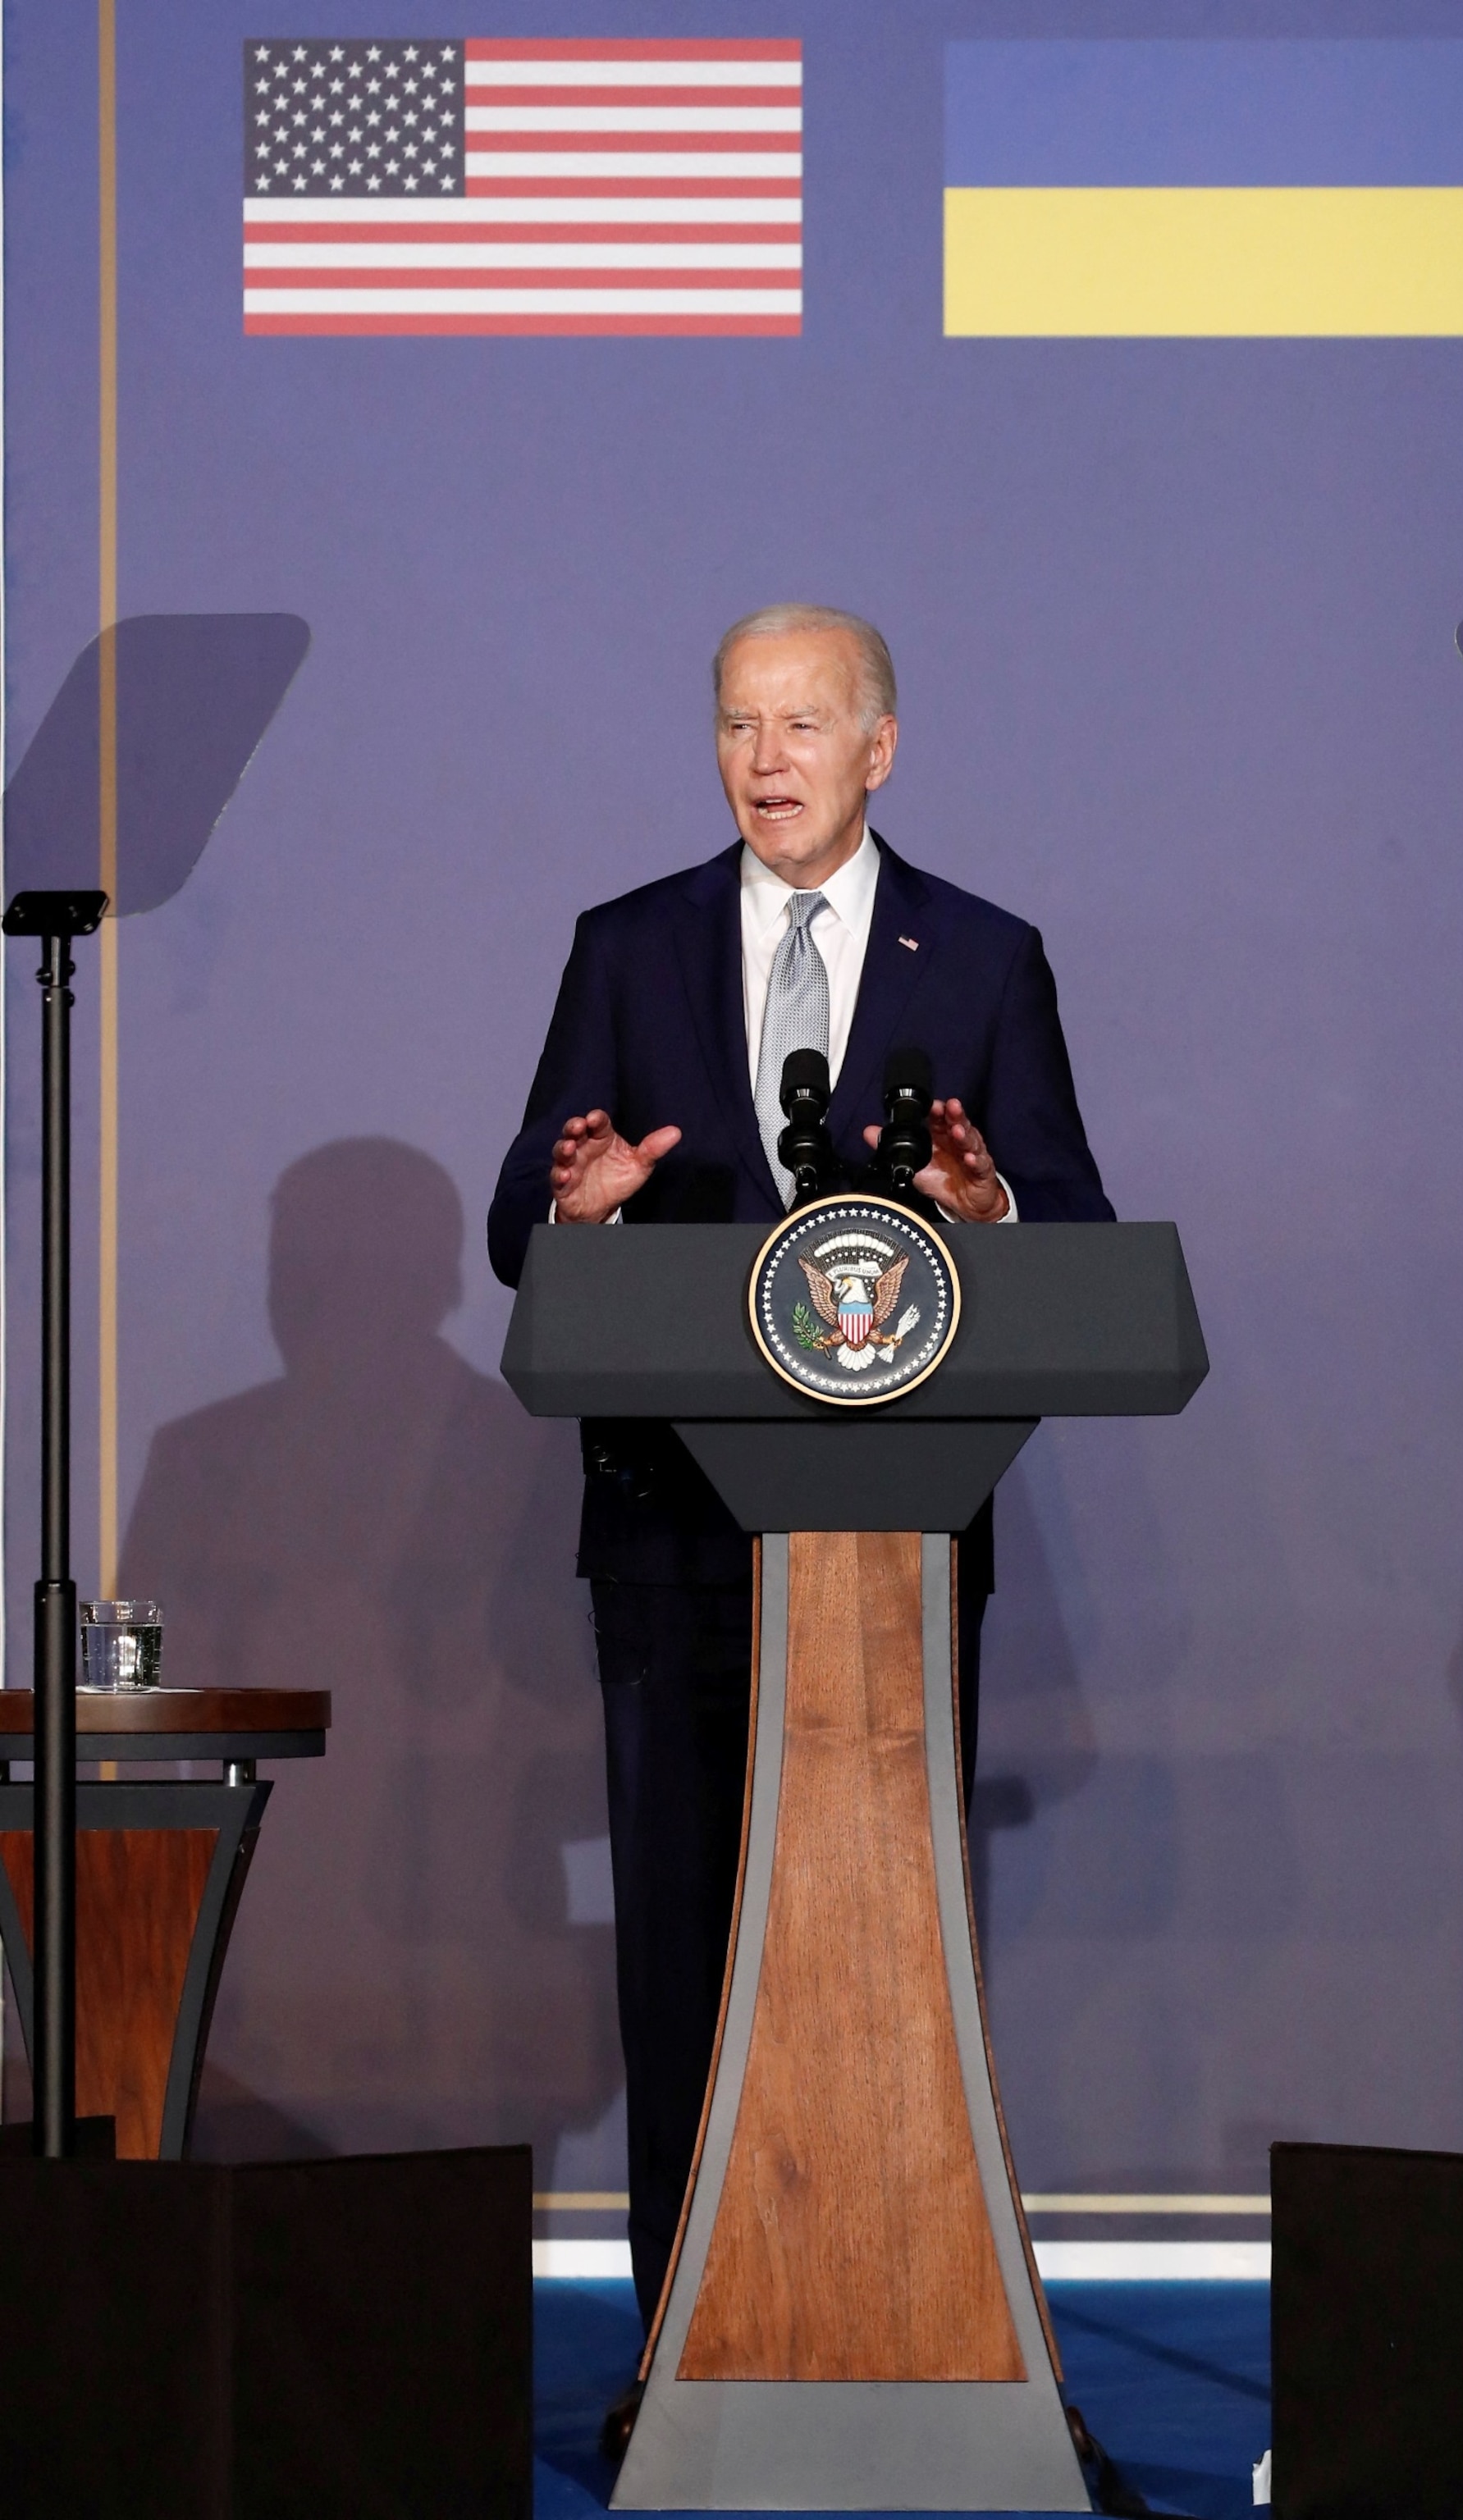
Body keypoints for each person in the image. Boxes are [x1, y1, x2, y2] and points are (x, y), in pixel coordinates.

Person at [488, 604, 1112, 2343]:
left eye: (800, 727)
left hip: (898, 1537)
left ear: (879, 747)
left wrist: (982, 1212)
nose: (763, 761)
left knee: (881, 1956)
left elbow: (1065, 1226)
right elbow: (515, 1221)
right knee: (683, 1961)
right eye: (736, 727)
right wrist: (578, 1209)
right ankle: (685, 2343)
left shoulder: (982, 958)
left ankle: (899, 2323)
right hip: (674, 1537)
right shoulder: (627, 946)